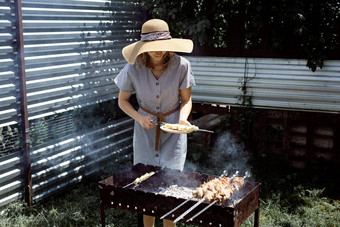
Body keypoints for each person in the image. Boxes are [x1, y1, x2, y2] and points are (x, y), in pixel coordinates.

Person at [114, 19, 195, 227]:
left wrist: (183, 118)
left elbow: (186, 100)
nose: (158, 51)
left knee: (171, 188)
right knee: (145, 186)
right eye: (153, 47)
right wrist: (139, 117)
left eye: (162, 46)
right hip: (144, 131)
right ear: (144, 47)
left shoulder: (182, 65)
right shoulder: (133, 67)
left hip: (174, 132)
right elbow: (122, 101)